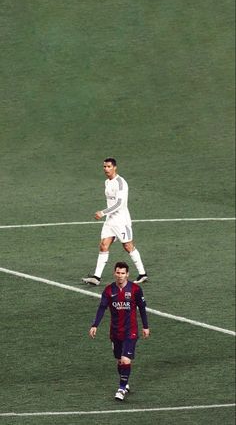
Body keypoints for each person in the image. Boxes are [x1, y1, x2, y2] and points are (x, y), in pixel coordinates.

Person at [89, 261, 150, 400]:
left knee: (125, 360)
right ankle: (125, 381)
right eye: (118, 273)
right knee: (119, 360)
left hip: (131, 331)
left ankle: (121, 389)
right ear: (114, 273)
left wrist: (145, 326)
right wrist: (95, 325)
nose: (120, 276)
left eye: (123, 273)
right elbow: (102, 308)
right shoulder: (109, 290)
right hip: (116, 331)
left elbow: (142, 308)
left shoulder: (135, 289)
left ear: (127, 274)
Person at [82, 157, 148, 286]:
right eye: (104, 167)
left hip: (121, 221)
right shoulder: (107, 182)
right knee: (103, 245)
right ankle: (96, 277)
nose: (106, 169)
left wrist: (103, 212)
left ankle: (143, 274)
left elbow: (119, 203)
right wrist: (107, 215)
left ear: (115, 167)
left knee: (128, 246)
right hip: (110, 221)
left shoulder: (121, 183)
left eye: (109, 167)